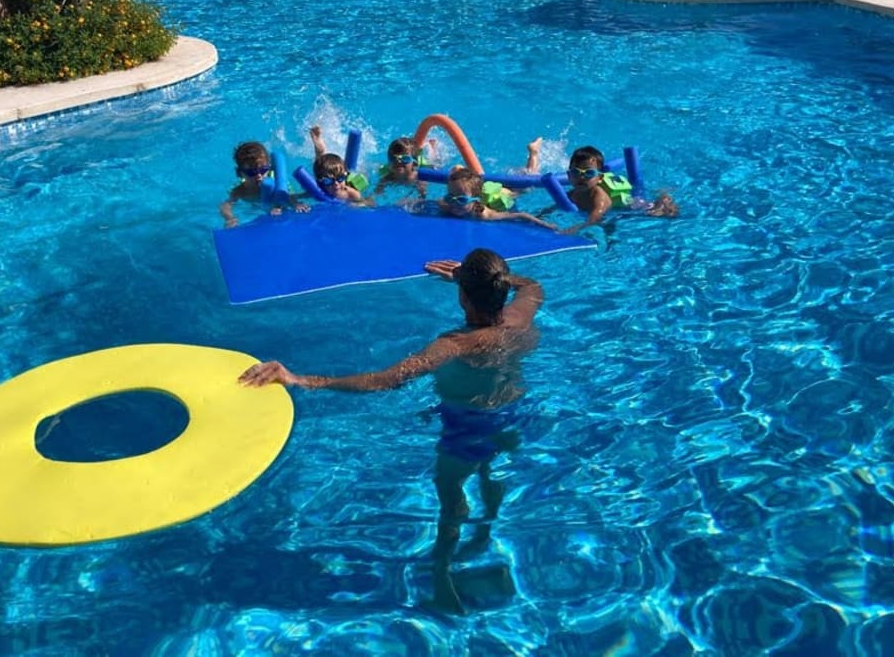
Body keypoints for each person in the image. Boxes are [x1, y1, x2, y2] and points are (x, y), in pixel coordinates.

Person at [239, 248, 543, 614]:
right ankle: (482, 536)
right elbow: (533, 285)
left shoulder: (456, 344)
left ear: (463, 296)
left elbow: (385, 380)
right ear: (503, 291)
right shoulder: (521, 316)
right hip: (511, 414)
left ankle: (443, 578)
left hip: (467, 428)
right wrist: (482, 279)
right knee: (491, 471)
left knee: (450, 499)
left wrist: (302, 379)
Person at [527, 141, 679, 232]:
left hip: (632, 206)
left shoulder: (599, 198)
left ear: (599, 177)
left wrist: (574, 229)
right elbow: (553, 207)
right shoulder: (573, 193)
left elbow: (595, 218)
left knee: (663, 213)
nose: (581, 177)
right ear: (568, 175)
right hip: (613, 209)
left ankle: (664, 196)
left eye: (588, 173)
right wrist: (537, 218)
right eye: (576, 172)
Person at [220, 140, 308, 228]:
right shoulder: (240, 191)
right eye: (251, 172)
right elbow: (225, 205)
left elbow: (289, 194)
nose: (259, 175)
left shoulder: (277, 183)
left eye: (263, 170)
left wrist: (295, 204)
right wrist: (230, 218)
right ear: (239, 173)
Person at [438, 166, 554, 229]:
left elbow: (521, 215)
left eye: (461, 200)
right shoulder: (448, 205)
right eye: (450, 197)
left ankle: (533, 156)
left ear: (475, 200)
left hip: (502, 195)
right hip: (481, 191)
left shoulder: (484, 215)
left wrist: (548, 225)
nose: (454, 203)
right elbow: (436, 201)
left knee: (526, 187)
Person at [309, 126, 371, 204]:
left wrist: (357, 205)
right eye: (328, 181)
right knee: (320, 166)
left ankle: (321, 152)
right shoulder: (319, 189)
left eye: (340, 179)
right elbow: (292, 197)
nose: (336, 184)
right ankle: (320, 151)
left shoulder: (350, 193)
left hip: (348, 177)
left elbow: (367, 203)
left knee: (343, 172)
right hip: (327, 175)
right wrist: (296, 204)